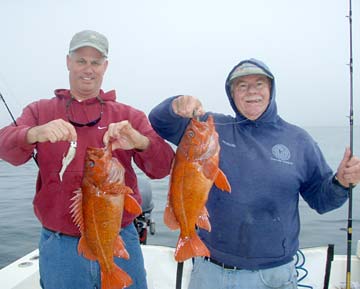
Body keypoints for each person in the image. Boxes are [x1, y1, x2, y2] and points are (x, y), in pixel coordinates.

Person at [148, 58, 360, 289]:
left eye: (259, 83)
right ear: (232, 94)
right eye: (242, 85)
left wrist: (341, 183)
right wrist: (175, 104)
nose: (251, 91)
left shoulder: (299, 141)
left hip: (273, 275)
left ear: (271, 89)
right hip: (210, 271)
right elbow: (160, 121)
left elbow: (322, 201)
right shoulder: (212, 127)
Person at [0, 30, 174, 289]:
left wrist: (141, 142)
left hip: (119, 236)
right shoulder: (40, 110)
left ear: (105, 66)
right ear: (68, 62)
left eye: (95, 62)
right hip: (61, 246)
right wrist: (34, 133)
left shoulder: (128, 116)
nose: (88, 69)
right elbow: (5, 148)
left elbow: (162, 168)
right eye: (81, 60)